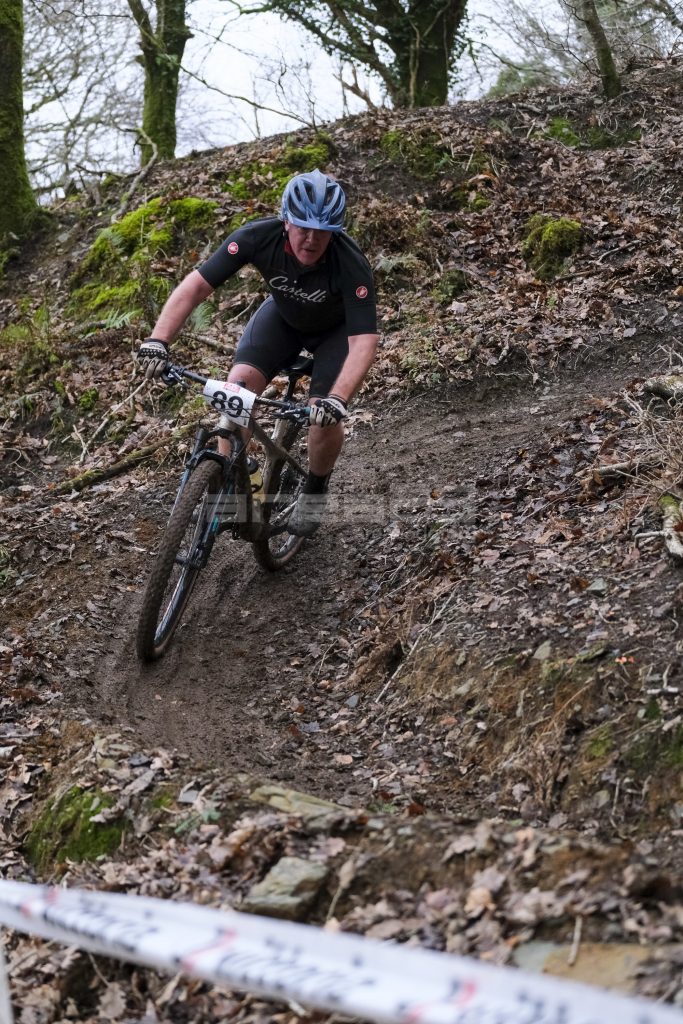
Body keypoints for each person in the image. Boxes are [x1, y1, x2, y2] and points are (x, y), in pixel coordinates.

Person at [138, 168, 379, 538]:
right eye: (304, 227)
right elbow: (195, 287)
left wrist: (337, 399)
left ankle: (315, 490)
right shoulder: (256, 237)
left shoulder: (350, 263)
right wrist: (158, 340)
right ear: (286, 221)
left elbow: (364, 341)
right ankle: (236, 477)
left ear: (336, 231)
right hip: (283, 320)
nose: (312, 239)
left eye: (323, 231)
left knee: (323, 418)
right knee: (236, 389)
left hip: (336, 334)